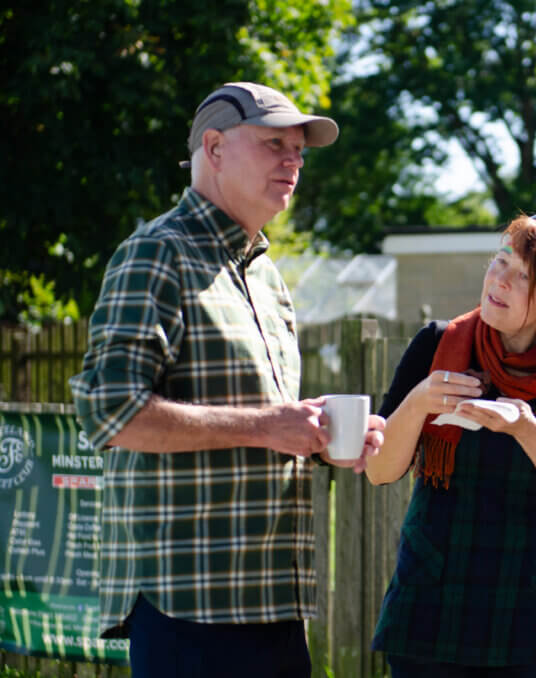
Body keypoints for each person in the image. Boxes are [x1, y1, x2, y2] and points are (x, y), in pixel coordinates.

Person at [69, 82, 385, 678]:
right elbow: (112, 414)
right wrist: (270, 426)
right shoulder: (155, 253)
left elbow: (258, 427)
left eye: (299, 150)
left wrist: (316, 437)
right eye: (273, 145)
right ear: (212, 148)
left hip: (273, 601)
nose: (293, 161)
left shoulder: (266, 277)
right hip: (189, 608)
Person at [367, 211, 536, 677]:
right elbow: (379, 470)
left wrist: (527, 429)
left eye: (523, 274)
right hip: (431, 601)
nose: (499, 280)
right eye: (499, 262)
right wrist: (421, 400)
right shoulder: (437, 345)